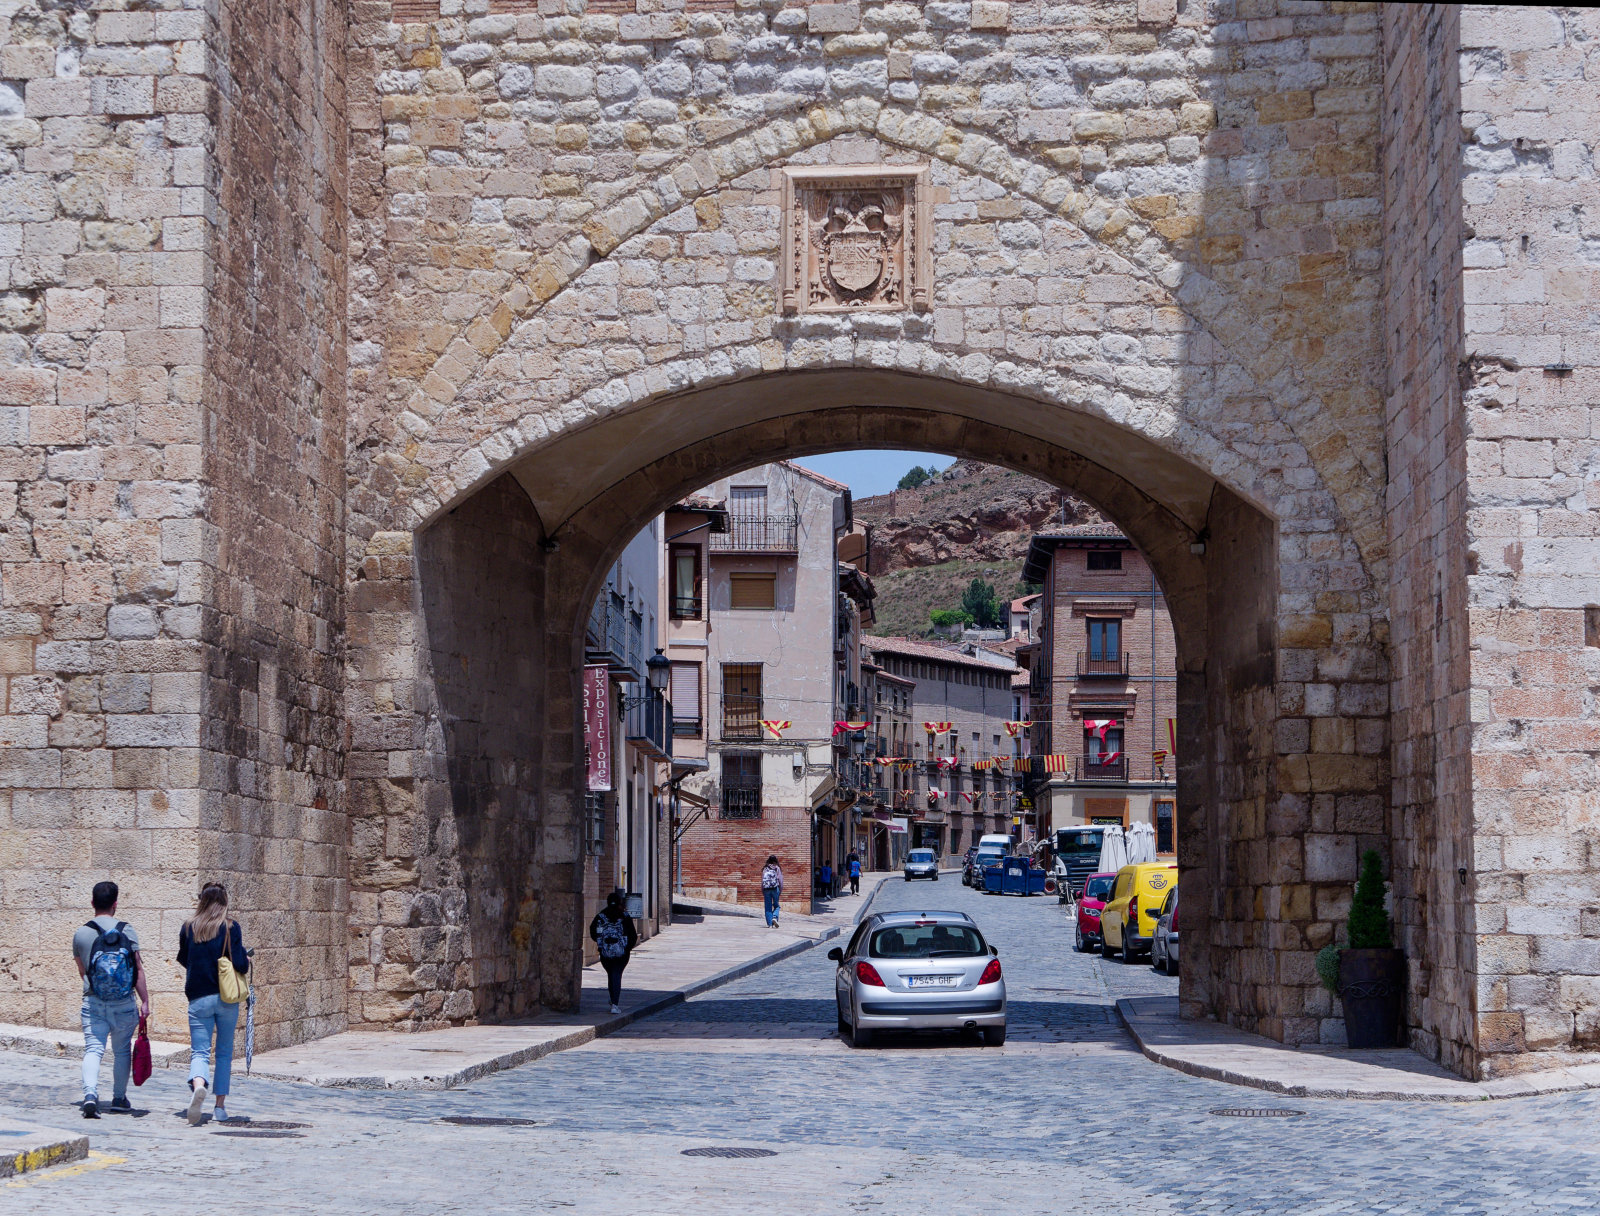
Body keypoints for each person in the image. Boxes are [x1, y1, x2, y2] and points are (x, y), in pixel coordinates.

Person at [73, 881, 150, 1119]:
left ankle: (90, 1095)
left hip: (93, 1001)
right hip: (124, 1003)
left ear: (92, 903)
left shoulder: (81, 933)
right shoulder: (127, 930)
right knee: (121, 1051)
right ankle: (118, 1098)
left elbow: (83, 971)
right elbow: (137, 969)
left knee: (94, 1048)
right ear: (115, 904)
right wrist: (145, 1001)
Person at [176, 883, 249, 1125]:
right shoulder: (230, 927)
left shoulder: (189, 927)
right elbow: (240, 964)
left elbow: (184, 959)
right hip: (226, 997)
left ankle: (199, 1084)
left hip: (198, 996)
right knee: (225, 1052)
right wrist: (245, 958)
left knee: (200, 1050)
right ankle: (220, 1107)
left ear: (201, 901)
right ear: (224, 901)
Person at [588, 890, 638, 1015]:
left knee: (611, 975)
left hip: (605, 953)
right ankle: (615, 1003)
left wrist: (602, 944)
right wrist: (627, 948)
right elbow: (633, 935)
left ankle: (613, 999)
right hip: (622, 953)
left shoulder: (601, 916)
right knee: (617, 975)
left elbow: (593, 932)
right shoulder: (624, 916)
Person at [761, 855, 783, 928]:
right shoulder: (777, 868)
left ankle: (770, 924)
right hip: (775, 888)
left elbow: (762, 881)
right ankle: (774, 917)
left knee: (768, 907)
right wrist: (780, 889)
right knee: (776, 906)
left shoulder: (765, 869)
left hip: (766, 889)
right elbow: (780, 880)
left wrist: (762, 890)